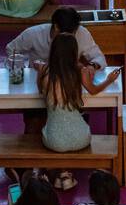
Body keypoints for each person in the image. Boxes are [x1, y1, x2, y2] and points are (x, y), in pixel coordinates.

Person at [37, 33, 120, 179]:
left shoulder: (45, 72)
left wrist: (38, 65)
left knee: (40, 127)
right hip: (82, 139)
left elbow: (40, 88)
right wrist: (109, 80)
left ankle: (56, 171)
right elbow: (93, 90)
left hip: (54, 142)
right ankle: (63, 173)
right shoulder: (80, 72)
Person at [7, 5, 106, 72]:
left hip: (69, 81)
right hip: (38, 80)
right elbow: (11, 49)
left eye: (73, 34)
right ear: (56, 27)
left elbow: (99, 58)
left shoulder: (82, 33)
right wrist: (21, 70)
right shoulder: (33, 34)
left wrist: (92, 66)